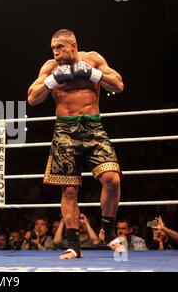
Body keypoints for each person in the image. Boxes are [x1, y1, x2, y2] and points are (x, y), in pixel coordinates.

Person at [27, 29, 125, 259]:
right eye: (53, 49)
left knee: (112, 179)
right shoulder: (50, 67)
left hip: (93, 126)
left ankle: (108, 230)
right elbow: (32, 98)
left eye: (60, 47)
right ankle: (74, 246)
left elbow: (118, 84)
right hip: (64, 130)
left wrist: (93, 74)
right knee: (69, 189)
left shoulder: (93, 59)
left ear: (74, 45)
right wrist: (53, 80)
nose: (56, 52)